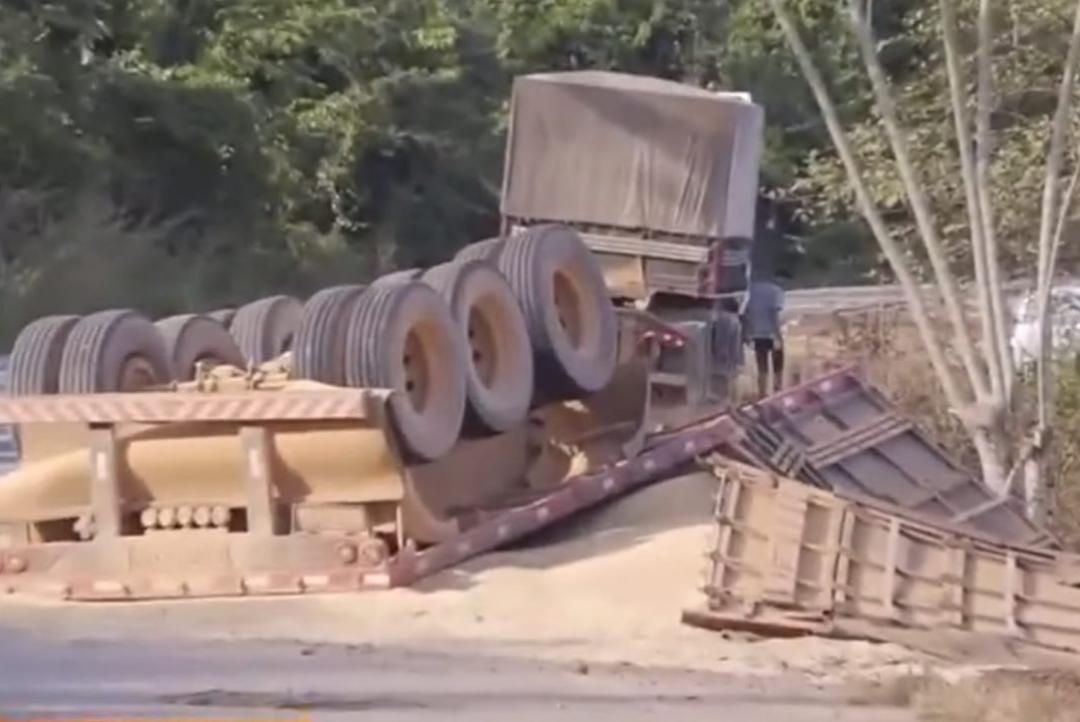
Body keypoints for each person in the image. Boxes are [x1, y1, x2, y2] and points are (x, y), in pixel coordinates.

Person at [743, 272, 786, 397]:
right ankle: (778, 391)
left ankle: (762, 394)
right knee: (778, 363)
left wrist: (748, 333)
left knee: (762, 364)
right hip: (772, 334)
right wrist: (778, 336)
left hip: (757, 334)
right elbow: (775, 315)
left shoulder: (752, 290)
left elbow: (746, 313)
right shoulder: (776, 291)